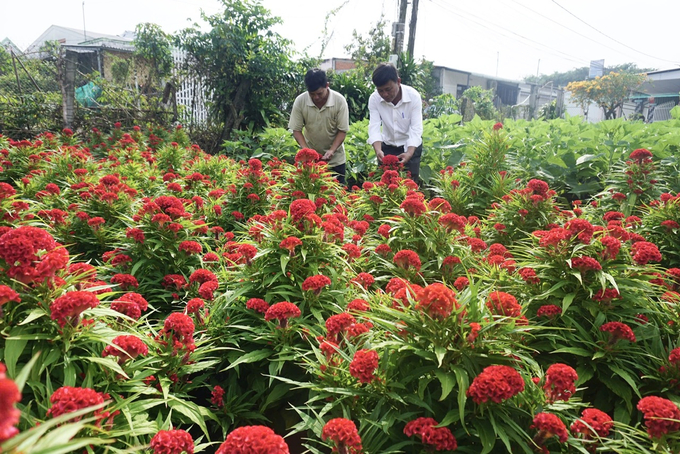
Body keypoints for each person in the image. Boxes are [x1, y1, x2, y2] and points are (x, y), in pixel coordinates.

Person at [288, 68, 350, 185]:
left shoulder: (339, 101)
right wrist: (307, 151)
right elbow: (296, 130)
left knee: (338, 196)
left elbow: (342, 130)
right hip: (310, 162)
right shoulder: (300, 101)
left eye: (319, 93)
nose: (316, 97)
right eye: (312, 94)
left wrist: (332, 150)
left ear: (327, 85)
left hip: (335, 160)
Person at [368, 63, 423, 184]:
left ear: (398, 81)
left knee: (410, 186)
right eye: (380, 90)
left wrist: (409, 153)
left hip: (410, 147)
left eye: (388, 89)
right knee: (386, 186)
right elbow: (374, 127)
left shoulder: (413, 97)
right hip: (387, 147)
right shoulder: (374, 99)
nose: (384, 94)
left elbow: (416, 129)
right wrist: (378, 150)